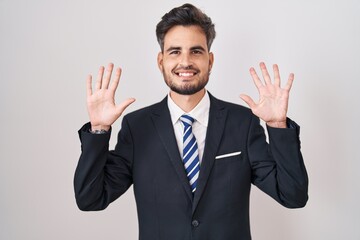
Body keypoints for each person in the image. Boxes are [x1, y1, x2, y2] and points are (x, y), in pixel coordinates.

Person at [74, 3, 308, 240]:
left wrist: (278, 125)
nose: (185, 62)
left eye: (196, 51)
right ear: (160, 61)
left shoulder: (242, 123)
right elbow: (90, 199)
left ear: (210, 60)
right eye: (175, 51)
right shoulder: (137, 127)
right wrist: (99, 130)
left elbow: (293, 195)